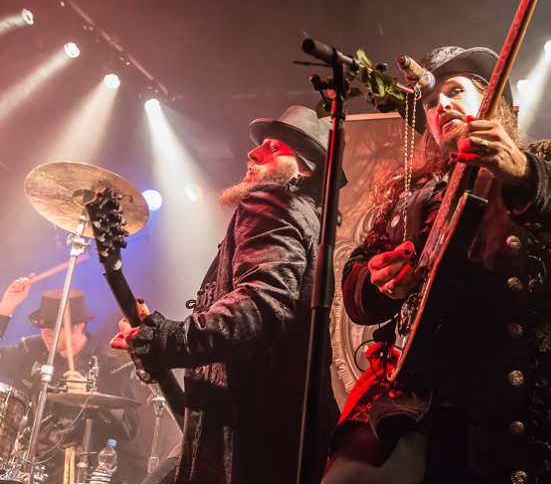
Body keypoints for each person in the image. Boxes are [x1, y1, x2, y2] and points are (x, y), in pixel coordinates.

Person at [323, 46, 551, 484]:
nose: (440, 105)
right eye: (430, 102)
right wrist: (379, 280)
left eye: (455, 91)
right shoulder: (409, 195)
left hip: (524, 412)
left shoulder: (545, 158)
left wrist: (524, 173)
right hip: (432, 416)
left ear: (492, 101)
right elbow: (358, 281)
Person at [110, 106, 340, 484]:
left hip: (252, 438)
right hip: (281, 432)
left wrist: (166, 337)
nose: (253, 152)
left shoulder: (273, 203)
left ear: (304, 169)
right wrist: (155, 332)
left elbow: (260, 306)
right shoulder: (307, 218)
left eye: (273, 148)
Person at [0, 283, 139, 483]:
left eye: (55, 327)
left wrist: (93, 396)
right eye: (44, 327)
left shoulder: (108, 364)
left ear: (79, 325)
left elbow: (129, 427)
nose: (48, 333)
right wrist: (5, 309)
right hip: (22, 467)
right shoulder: (30, 350)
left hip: (77, 472)